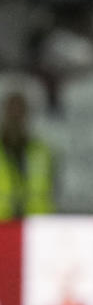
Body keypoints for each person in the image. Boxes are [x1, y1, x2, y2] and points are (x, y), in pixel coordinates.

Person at [0, 91, 55, 219]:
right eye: (11, 110)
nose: (15, 116)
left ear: (27, 114)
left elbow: (52, 187)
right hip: (3, 224)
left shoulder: (42, 152)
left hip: (36, 224)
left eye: (20, 110)